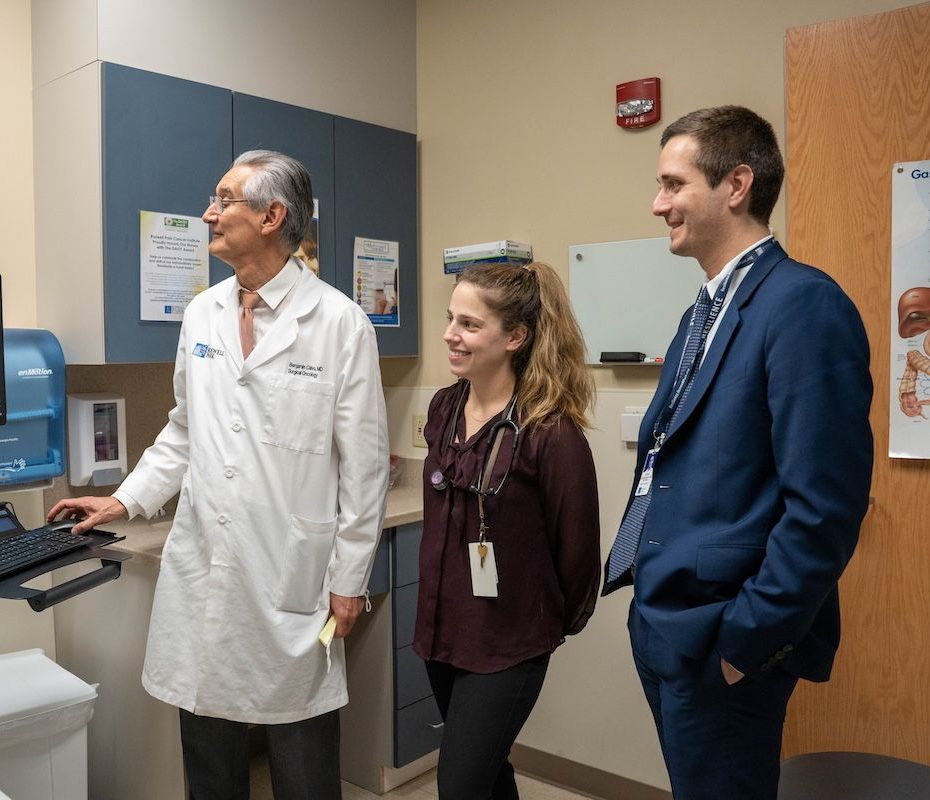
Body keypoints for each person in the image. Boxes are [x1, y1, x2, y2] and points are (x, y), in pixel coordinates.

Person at [48, 150, 389, 800]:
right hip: (205, 569)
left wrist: (349, 582)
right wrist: (125, 500)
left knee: (303, 765)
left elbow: (366, 472)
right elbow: (184, 428)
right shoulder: (202, 312)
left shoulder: (341, 324)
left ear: (272, 215)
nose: (208, 212)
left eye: (224, 199)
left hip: (293, 577)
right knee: (209, 762)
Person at [602, 106, 873, 799]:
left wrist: (745, 644)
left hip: (723, 638)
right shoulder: (703, 312)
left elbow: (825, 508)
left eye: (673, 183)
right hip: (664, 622)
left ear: (736, 185)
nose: (657, 203)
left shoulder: (804, 305)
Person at [415, 260, 601, 800]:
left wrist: (541, 628)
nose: (451, 334)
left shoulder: (551, 432)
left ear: (515, 336)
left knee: (460, 785)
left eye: (470, 325)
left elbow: (578, 554)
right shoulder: (445, 407)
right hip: (441, 631)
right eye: (451, 318)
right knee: (489, 775)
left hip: (507, 642)